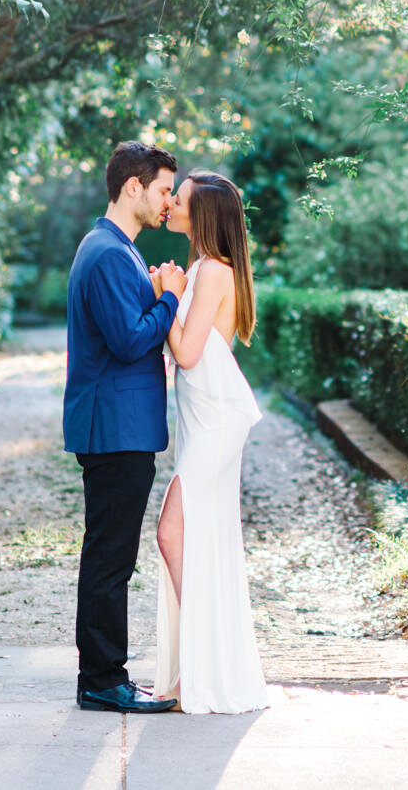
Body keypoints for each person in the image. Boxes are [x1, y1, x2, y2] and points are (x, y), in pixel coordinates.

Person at [63, 141, 185, 714]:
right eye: (163, 190)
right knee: (110, 558)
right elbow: (131, 338)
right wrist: (169, 299)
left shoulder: (117, 249)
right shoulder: (109, 253)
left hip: (121, 427)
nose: (168, 202)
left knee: (110, 555)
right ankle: (102, 679)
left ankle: (104, 675)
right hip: (114, 430)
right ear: (132, 187)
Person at [151, 169, 271, 714]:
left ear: (202, 216)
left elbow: (188, 352)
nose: (170, 204)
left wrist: (167, 296)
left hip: (218, 423)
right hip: (203, 421)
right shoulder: (203, 267)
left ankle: (203, 662)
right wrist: (171, 295)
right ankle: (201, 668)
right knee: (192, 535)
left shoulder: (214, 272)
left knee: (172, 532)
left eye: (179, 199)